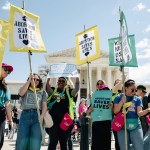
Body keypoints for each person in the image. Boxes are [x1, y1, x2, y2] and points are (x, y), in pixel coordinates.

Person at [113, 79, 150, 150]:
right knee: (124, 148)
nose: (134, 92)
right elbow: (115, 111)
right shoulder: (119, 97)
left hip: (135, 125)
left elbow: (139, 113)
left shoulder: (137, 99)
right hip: (122, 125)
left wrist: (148, 110)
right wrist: (121, 102)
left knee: (139, 147)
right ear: (126, 88)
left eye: (135, 90)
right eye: (132, 90)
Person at [46, 77, 79, 150]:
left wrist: (77, 78)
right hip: (53, 122)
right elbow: (47, 89)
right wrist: (48, 78)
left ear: (66, 83)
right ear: (57, 82)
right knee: (52, 143)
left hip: (64, 122)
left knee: (64, 143)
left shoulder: (69, 92)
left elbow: (76, 89)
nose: (61, 82)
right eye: (59, 81)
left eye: (63, 81)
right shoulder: (54, 91)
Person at [15, 73, 47, 150]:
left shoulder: (43, 92)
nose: (35, 81)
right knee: (21, 142)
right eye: (33, 79)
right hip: (25, 115)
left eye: (37, 79)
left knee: (35, 144)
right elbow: (21, 93)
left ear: (39, 81)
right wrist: (29, 80)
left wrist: (42, 116)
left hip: (37, 117)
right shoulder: (25, 88)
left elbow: (44, 106)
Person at [86, 82, 113, 150]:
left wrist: (112, 107)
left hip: (106, 124)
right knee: (96, 144)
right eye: (103, 90)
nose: (104, 91)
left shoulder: (111, 101)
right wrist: (89, 111)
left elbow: (114, 113)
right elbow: (87, 114)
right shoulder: (94, 101)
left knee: (106, 145)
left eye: (106, 90)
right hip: (96, 125)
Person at [0, 63, 13, 149]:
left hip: (0, 114)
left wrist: (10, 121)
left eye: (9, 72)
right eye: (5, 69)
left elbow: (7, 105)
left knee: (0, 140)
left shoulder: (5, 87)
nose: (7, 72)